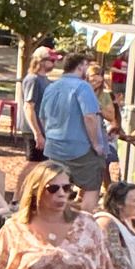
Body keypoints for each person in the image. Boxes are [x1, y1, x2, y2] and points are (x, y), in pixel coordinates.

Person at [37, 51, 108, 211]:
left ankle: (52, 219)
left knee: (55, 187)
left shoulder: (51, 87)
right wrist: (97, 144)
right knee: (92, 187)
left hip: (54, 148)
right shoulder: (83, 87)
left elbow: (42, 117)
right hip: (80, 149)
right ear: (81, 66)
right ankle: (84, 222)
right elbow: (90, 117)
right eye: (86, 66)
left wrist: (51, 135)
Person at [18, 45, 55, 169]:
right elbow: (29, 107)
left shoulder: (45, 80)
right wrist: (37, 133)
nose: (54, 63)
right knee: (33, 167)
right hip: (33, 130)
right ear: (41, 61)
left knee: (42, 167)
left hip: (43, 130)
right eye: (52, 60)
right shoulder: (33, 79)